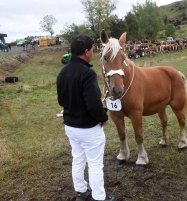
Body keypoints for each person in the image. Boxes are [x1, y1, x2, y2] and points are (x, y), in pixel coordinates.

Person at [56, 34, 116, 201]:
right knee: (95, 163)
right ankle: (99, 197)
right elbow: (93, 104)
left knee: (78, 158)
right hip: (88, 128)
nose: (93, 53)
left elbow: (61, 100)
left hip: (70, 126)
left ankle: (81, 191)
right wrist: (103, 118)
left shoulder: (62, 72)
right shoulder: (87, 74)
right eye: (92, 50)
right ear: (86, 51)